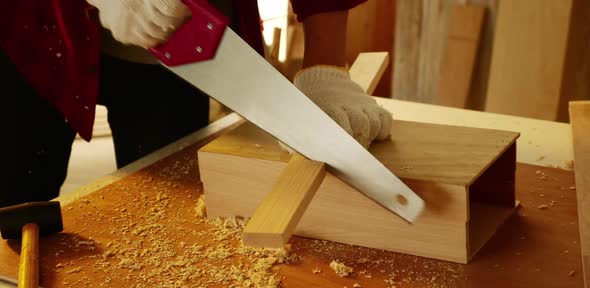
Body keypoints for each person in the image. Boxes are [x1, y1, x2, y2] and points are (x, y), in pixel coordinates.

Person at [0, 0, 392, 208]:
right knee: (15, 196)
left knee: (166, 214)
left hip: (182, 40)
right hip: (33, 30)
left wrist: (325, 66)